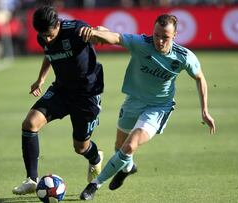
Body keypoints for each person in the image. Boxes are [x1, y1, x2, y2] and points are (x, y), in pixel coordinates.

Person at [78, 14, 216, 200]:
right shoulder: (141, 43)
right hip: (134, 101)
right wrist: (95, 32)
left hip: (158, 108)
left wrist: (204, 110)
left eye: (165, 37)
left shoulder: (184, 57)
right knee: (120, 146)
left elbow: (200, 78)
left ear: (174, 35)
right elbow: (117, 38)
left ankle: (94, 185)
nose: (159, 40)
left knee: (131, 145)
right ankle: (128, 168)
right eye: (156, 34)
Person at [12, 5, 104, 195]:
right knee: (30, 124)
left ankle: (95, 159)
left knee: (80, 147)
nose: (46, 38)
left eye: (49, 34)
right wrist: (41, 79)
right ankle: (31, 179)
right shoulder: (42, 36)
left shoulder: (77, 30)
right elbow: (50, 54)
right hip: (62, 89)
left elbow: (101, 34)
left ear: (58, 24)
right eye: (42, 35)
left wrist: (100, 31)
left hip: (86, 94)